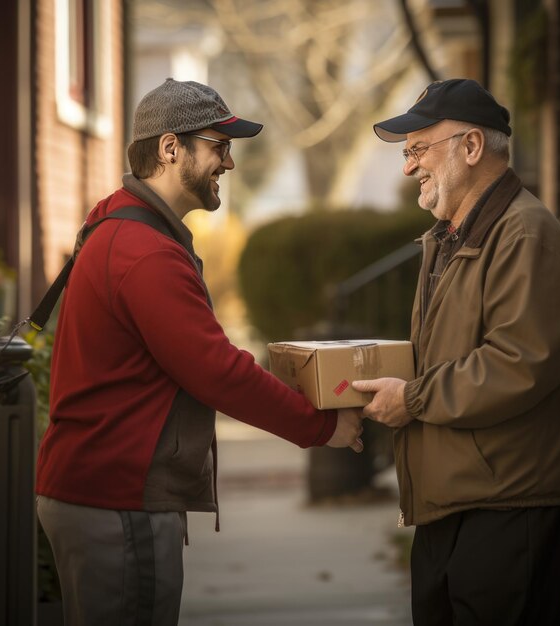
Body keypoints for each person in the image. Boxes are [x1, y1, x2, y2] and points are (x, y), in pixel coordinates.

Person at [36, 78, 363, 626]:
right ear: (170, 149)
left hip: (98, 493)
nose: (229, 164)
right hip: (118, 501)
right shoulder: (144, 252)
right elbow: (218, 373)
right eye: (219, 146)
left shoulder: (117, 227)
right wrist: (322, 427)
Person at [352, 78, 560, 626]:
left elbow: (518, 365)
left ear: (471, 146)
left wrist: (411, 399)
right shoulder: (449, 237)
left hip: (513, 501)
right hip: (458, 501)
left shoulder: (527, 236)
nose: (408, 167)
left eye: (418, 149)